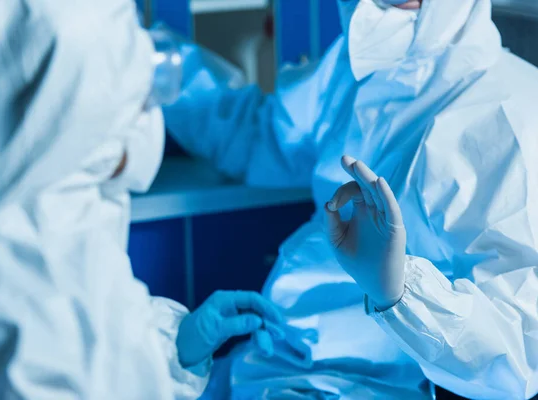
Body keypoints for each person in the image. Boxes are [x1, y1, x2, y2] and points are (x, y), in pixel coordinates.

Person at [162, 0, 538, 398]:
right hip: (266, 363)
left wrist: (400, 290)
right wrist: (150, 61)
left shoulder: (506, 116)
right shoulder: (361, 64)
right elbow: (260, 135)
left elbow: (518, 352)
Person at [0, 1, 285, 399]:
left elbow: (108, 334)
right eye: (135, 99)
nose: (149, 112)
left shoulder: (66, 226)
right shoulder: (9, 282)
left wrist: (180, 345)